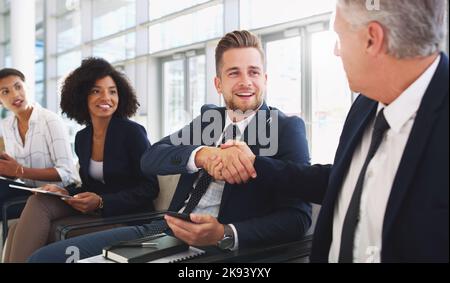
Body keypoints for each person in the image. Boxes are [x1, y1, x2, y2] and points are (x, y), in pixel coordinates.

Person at [28, 30, 312, 262]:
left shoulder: (285, 128)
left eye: (254, 72)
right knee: (44, 259)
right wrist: (201, 155)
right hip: (162, 230)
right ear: (218, 83)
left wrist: (226, 232)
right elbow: (152, 158)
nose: (246, 82)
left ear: (265, 78)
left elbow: (298, 218)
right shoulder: (209, 121)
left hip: (218, 247)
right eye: (234, 73)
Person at [218, 0, 449, 263]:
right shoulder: (365, 104)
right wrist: (254, 164)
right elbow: (341, 180)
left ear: (372, 39)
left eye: (339, 36)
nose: (336, 50)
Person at [3, 58, 159, 262]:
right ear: (81, 95)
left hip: (128, 218)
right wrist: (65, 192)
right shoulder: (83, 137)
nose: (106, 97)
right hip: (98, 212)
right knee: (38, 202)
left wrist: (102, 201)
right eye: (96, 91)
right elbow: (90, 186)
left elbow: (149, 188)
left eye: (112, 91)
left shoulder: (132, 133)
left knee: (37, 231)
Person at [0, 68, 79, 221]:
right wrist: (7, 170)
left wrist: (19, 170)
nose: (15, 95)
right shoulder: (6, 125)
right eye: (5, 92)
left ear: (27, 87)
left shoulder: (50, 120)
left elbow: (66, 172)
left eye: (18, 87)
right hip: (29, 191)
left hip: (57, 193)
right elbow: (18, 175)